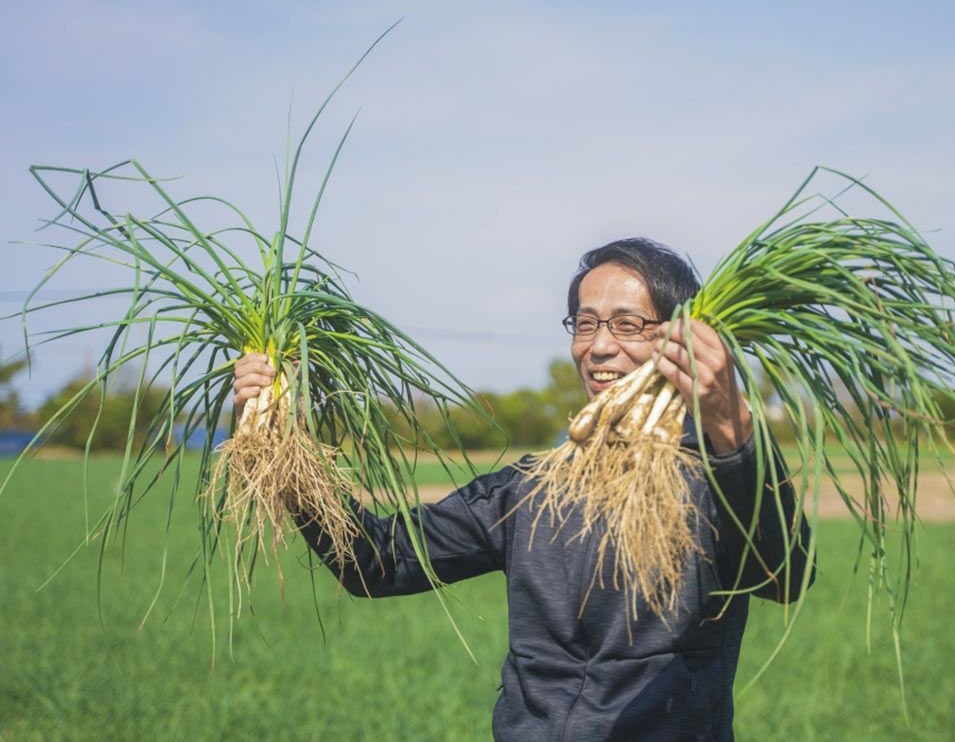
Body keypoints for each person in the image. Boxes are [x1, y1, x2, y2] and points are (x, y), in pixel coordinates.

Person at [233, 238, 814, 742]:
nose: (600, 346)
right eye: (585, 323)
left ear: (682, 341)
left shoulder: (718, 479)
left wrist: (733, 427)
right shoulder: (529, 490)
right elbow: (377, 562)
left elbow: (784, 575)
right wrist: (278, 443)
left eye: (627, 324)